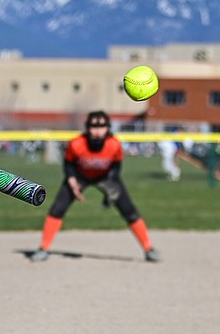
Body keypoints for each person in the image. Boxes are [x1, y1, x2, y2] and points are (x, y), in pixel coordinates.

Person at [29, 111, 160, 263]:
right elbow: (69, 163)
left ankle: (149, 248)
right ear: (87, 128)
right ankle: (43, 248)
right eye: (94, 126)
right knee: (58, 208)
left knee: (129, 210)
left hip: (105, 176)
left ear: (108, 128)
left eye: (102, 126)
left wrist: (111, 186)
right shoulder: (77, 143)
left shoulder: (113, 144)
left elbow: (116, 166)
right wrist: (71, 181)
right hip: (79, 176)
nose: (97, 130)